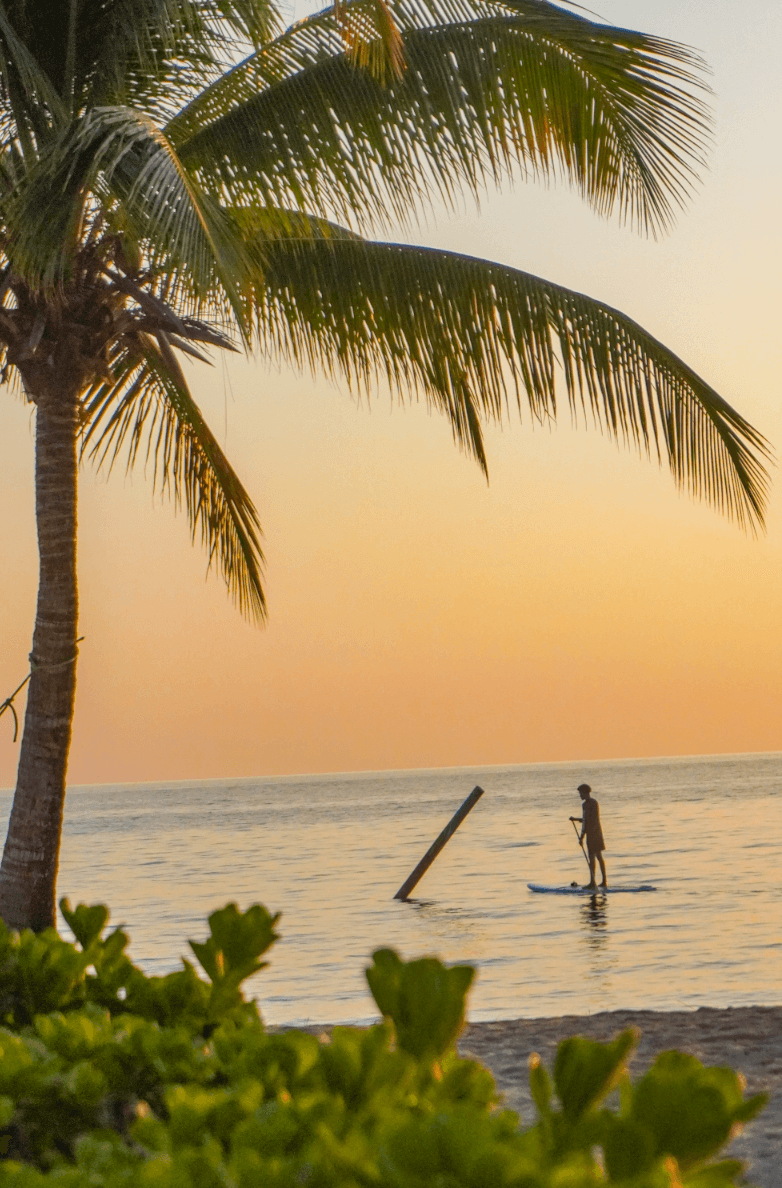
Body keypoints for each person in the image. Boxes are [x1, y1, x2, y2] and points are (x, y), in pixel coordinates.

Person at [569, 783, 607, 890]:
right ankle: (603, 882)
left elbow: (586, 822)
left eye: (580, 793)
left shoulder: (587, 805)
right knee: (599, 857)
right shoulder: (594, 803)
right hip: (598, 832)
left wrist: (581, 837)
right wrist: (575, 820)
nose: (580, 795)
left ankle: (592, 883)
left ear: (586, 793)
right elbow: (587, 819)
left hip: (592, 834)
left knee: (593, 858)